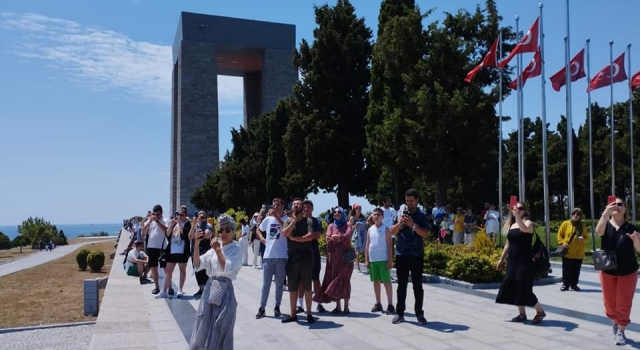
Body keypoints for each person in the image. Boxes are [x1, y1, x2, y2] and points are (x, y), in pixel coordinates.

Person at [189, 214, 242, 350]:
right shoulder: (214, 248)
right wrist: (196, 243)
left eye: (227, 230)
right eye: (221, 230)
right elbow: (198, 263)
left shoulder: (236, 248)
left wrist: (218, 250)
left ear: (233, 231)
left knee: (221, 327)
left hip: (225, 291)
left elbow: (227, 268)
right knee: (204, 325)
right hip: (210, 288)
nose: (223, 233)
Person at [595, 197, 640, 345]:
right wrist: (605, 213)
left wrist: (636, 241)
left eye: (620, 205)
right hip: (608, 270)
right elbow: (598, 232)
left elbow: (638, 250)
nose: (617, 207)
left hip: (628, 271)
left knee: (624, 302)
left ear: (625, 209)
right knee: (609, 303)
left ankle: (621, 330)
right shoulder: (606, 225)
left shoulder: (631, 228)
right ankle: (614, 321)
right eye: (614, 204)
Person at [495, 202, 546, 324]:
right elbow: (508, 244)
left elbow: (524, 229)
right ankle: (522, 314)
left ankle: (540, 311)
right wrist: (501, 259)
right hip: (513, 260)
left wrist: (517, 216)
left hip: (525, 260)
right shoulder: (511, 225)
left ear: (524, 211)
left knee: (522, 284)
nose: (519, 211)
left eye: (521, 209)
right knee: (512, 283)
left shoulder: (528, 222)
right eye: (516, 209)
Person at [389, 189, 430, 324]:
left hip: (416, 255)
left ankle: (419, 313)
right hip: (401, 254)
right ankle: (400, 312)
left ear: (417, 200)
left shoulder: (421, 214)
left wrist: (413, 225)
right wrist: (400, 223)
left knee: (417, 286)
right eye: (407, 201)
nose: (409, 203)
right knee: (401, 285)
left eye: (412, 201)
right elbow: (392, 232)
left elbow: (425, 233)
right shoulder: (400, 213)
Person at [313, 207, 354, 314]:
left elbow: (348, 235)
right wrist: (337, 238)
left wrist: (338, 237)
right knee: (334, 280)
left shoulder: (347, 224)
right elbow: (328, 238)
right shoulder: (331, 225)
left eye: (339, 212)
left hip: (346, 258)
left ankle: (346, 307)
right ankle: (338, 306)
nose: (336, 214)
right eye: (334, 212)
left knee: (344, 281)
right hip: (334, 258)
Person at [281, 198, 315, 324]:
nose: (295, 205)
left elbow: (309, 237)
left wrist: (294, 239)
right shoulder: (288, 221)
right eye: (294, 204)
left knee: (307, 286)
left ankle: (309, 313)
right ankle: (292, 314)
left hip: (306, 257)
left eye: (298, 204)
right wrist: (294, 221)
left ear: (302, 207)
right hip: (292, 258)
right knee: (292, 287)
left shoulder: (308, 221)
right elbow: (285, 233)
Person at [157, 207, 191, 298]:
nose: (179, 216)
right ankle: (164, 290)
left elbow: (184, 235)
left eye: (182, 215)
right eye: (178, 214)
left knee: (182, 269)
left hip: (183, 251)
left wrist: (180, 223)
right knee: (168, 270)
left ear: (185, 216)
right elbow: (167, 234)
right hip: (172, 251)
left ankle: (180, 289)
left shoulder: (187, 224)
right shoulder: (174, 224)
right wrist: (171, 225)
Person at [366, 208, 395, 315]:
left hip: (383, 259)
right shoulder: (370, 229)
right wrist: (367, 259)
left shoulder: (386, 229)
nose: (376, 217)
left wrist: (389, 260)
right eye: (374, 215)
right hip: (374, 260)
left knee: (386, 282)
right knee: (376, 281)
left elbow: (389, 245)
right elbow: (367, 245)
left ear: (382, 217)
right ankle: (378, 303)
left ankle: (390, 304)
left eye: (378, 215)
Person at [556, 207, 588, 291]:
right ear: (571, 215)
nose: (576, 216)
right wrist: (563, 242)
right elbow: (559, 235)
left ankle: (574, 284)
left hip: (578, 253)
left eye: (578, 214)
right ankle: (565, 284)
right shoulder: (565, 224)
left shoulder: (582, 226)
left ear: (580, 216)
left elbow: (586, 237)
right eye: (574, 214)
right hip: (568, 252)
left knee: (576, 270)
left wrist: (583, 240)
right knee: (566, 269)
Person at [188, 211, 214, 297]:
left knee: (205, 272)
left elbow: (207, 235)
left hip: (205, 253)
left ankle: (206, 289)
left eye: (203, 217)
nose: (201, 218)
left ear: (206, 218)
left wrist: (201, 227)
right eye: (200, 217)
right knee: (197, 272)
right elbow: (190, 236)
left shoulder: (208, 226)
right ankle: (201, 288)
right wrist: (193, 224)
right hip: (195, 253)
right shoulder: (195, 226)